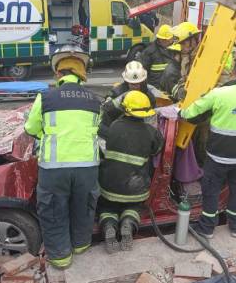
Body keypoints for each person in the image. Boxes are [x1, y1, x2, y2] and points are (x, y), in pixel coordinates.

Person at [24, 45, 101, 269]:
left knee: (54, 211)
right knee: (83, 207)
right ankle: (81, 245)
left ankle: (60, 257)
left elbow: (31, 128)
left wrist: (48, 135)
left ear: (59, 73)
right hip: (88, 167)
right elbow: (96, 129)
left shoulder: (46, 98)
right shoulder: (95, 100)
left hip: (54, 168)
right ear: (81, 74)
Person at [179, 58, 236, 238]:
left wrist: (179, 113)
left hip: (217, 156)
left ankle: (207, 229)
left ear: (232, 72)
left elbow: (192, 113)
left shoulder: (219, 93)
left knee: (211, 191)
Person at [98, 90, 164, 253]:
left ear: (125, 109)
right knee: (135, 207)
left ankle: (109, 225)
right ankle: (128, 221)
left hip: (109, 185)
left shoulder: (113, 127)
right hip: (136, 187)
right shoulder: (151, 132)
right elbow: (157, 150)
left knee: (107, 207)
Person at [98, 61, 158, 138]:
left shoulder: (149, 96)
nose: (135, 86)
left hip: (140, 132)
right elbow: (104, 113)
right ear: (126, 81)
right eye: (132, 84)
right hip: (116, 132)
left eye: (138, 83)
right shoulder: (116, 95)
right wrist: (111, 135)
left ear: (143, 81)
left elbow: (152, 118)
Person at [167, 22, 202, 101]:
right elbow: (184, 78)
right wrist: (180, 89)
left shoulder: (204, 55)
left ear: (194, 39)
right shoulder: (187, 57)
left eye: (182, 43)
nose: (181, 47)